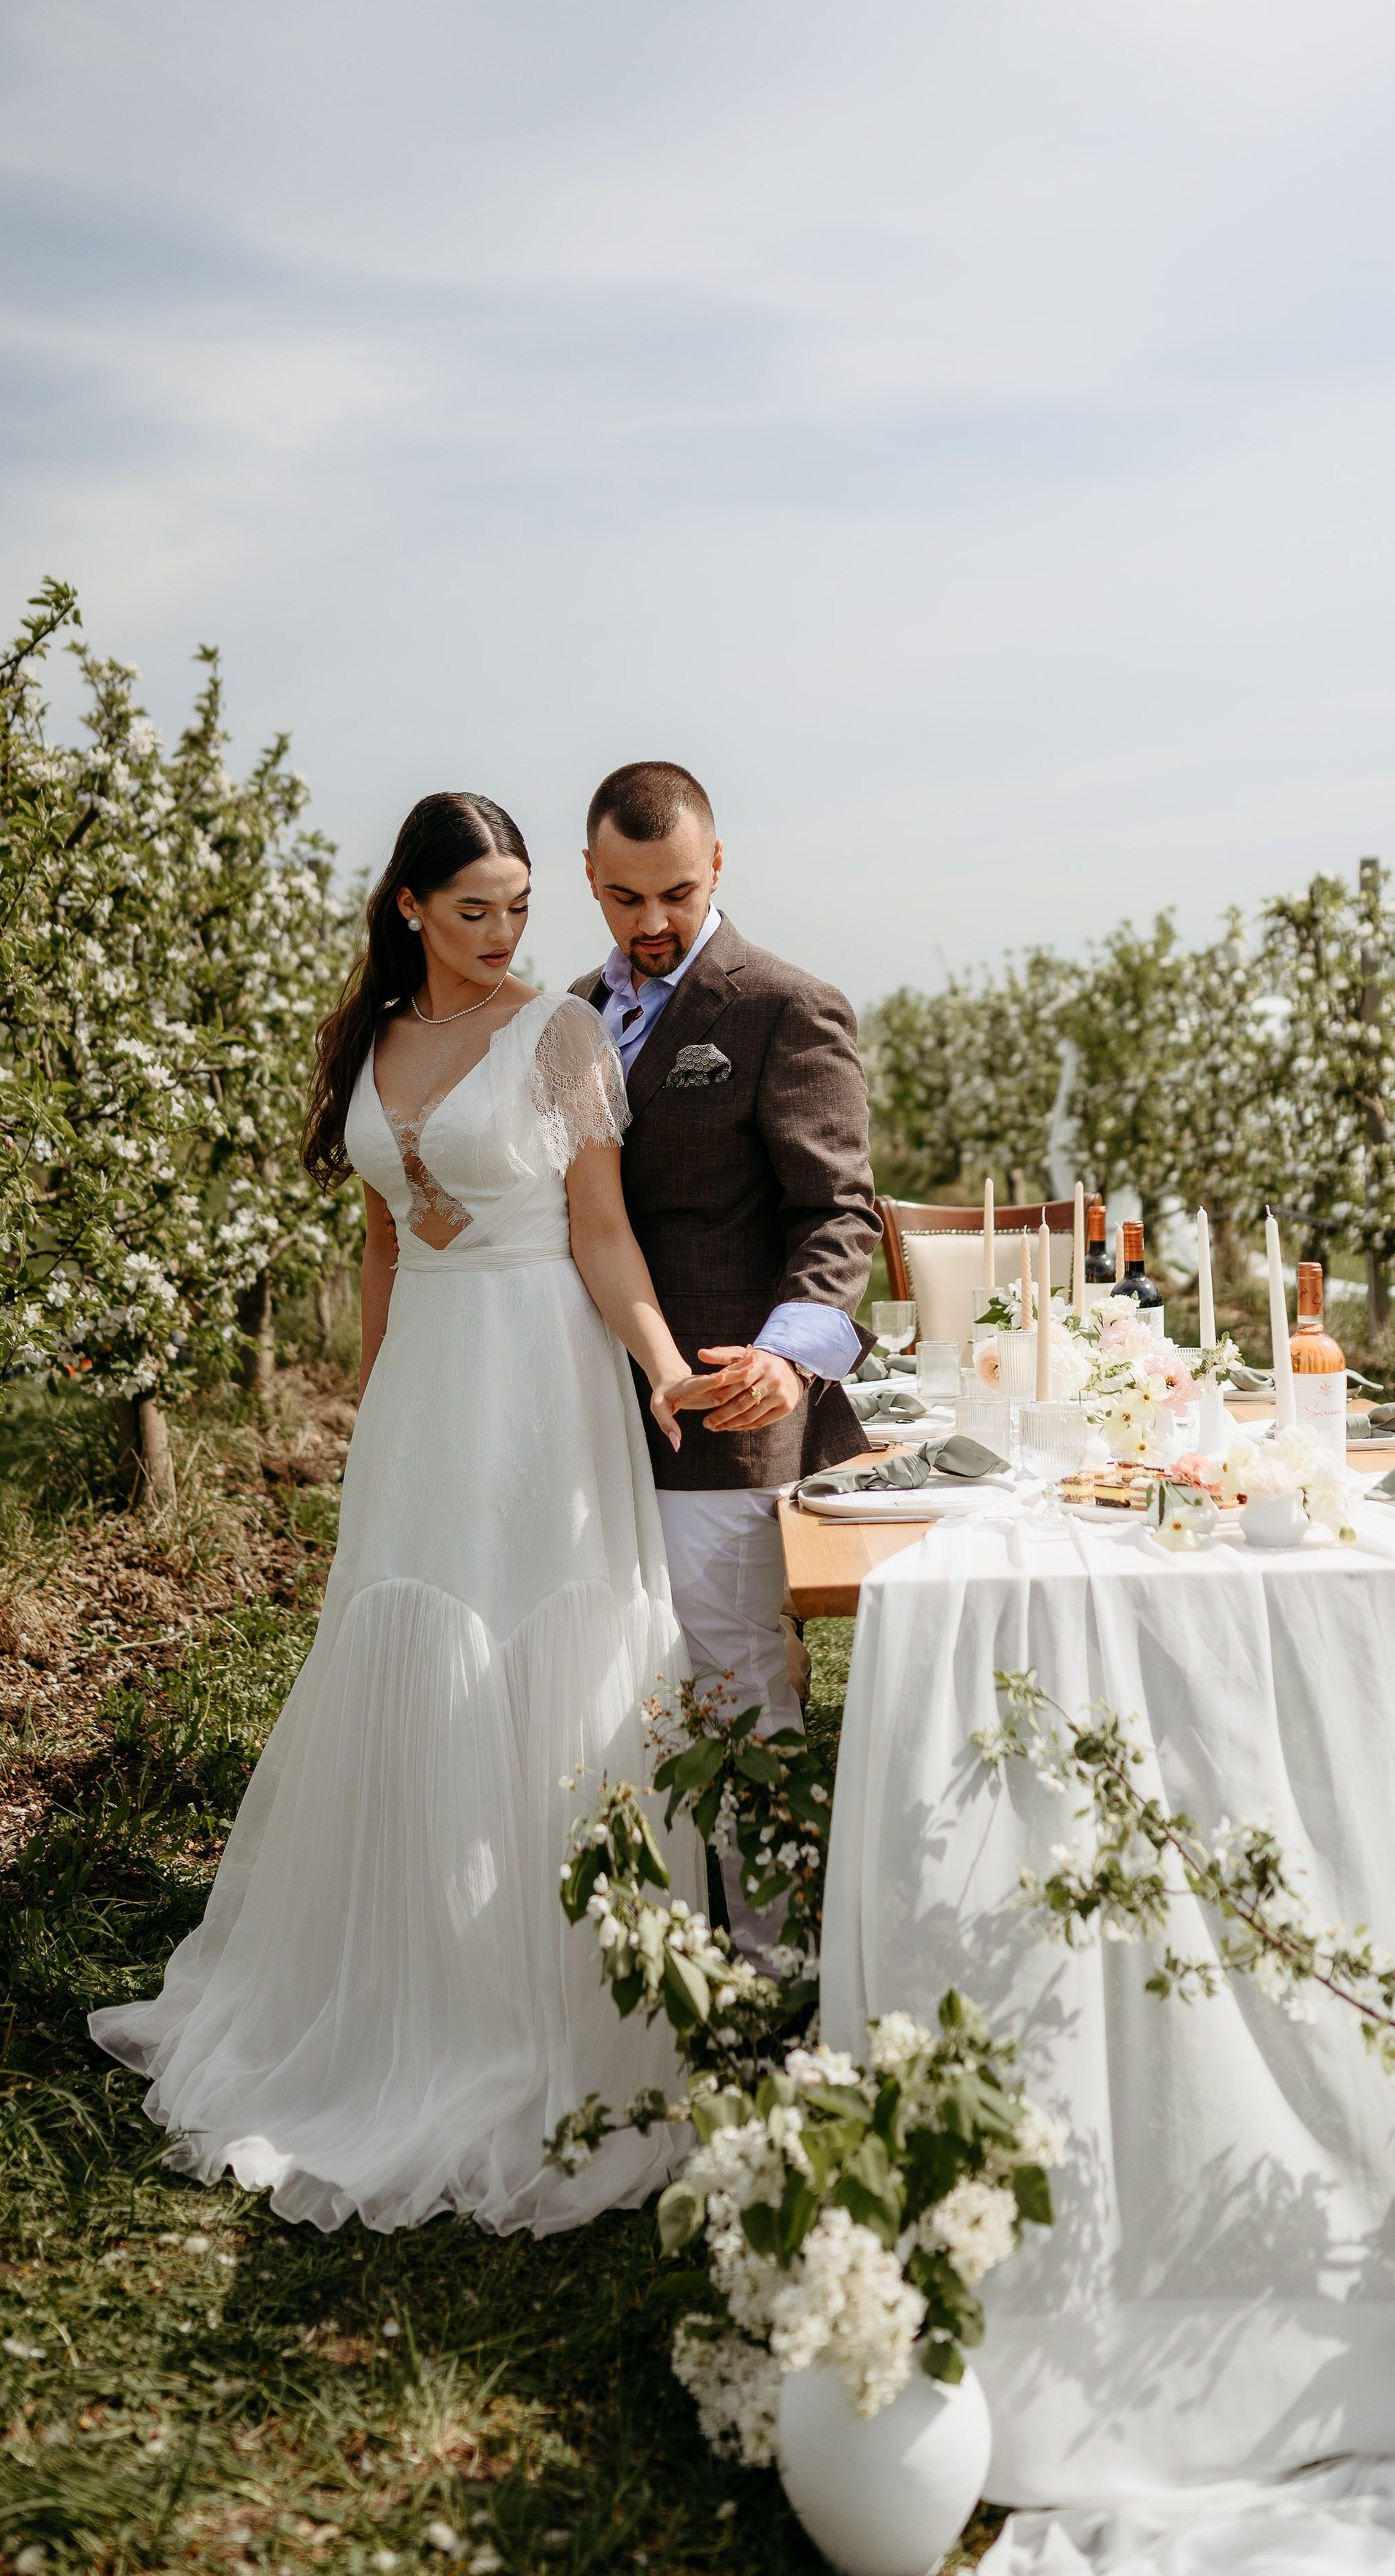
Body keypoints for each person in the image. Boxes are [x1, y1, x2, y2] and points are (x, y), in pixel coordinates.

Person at [90, 790, 708, 2235]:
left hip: (542, 1371)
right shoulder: (365, 1038)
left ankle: (551, 2001)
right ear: (412, 908)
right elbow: (377, 1236)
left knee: (543, 1647)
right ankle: (399, 1983)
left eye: (516, 909)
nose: (501, 936)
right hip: (429, 1381)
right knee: (406, 1642)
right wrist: (373, 1405)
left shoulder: (557, 1033)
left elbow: (599, 1230)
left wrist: (665, 1366)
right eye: (473, 909)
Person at [571, 761, 879, 1954]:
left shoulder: (782, 1007)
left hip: (729, 1415)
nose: (653, 924)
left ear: (719, 870)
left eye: (679, 895)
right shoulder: (565, 1018)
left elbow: (839, 1212)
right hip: (587, 1410)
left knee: (741, 1683)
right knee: (616, 1681)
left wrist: (788, 1362)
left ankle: (775, 1963)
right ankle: (647, 1950)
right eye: (625, 898)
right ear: (591, 882)